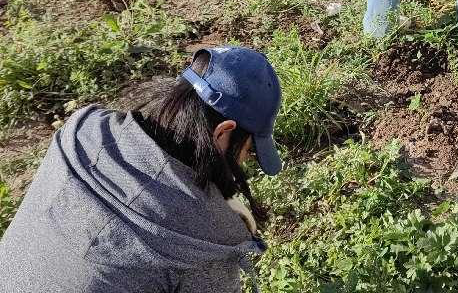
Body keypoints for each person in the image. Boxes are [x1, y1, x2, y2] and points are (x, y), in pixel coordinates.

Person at [0, 45, 282, 293]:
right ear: (223, 133)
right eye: (250, 150)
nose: (245, 160)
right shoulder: (205, 242)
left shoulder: (82, 129)